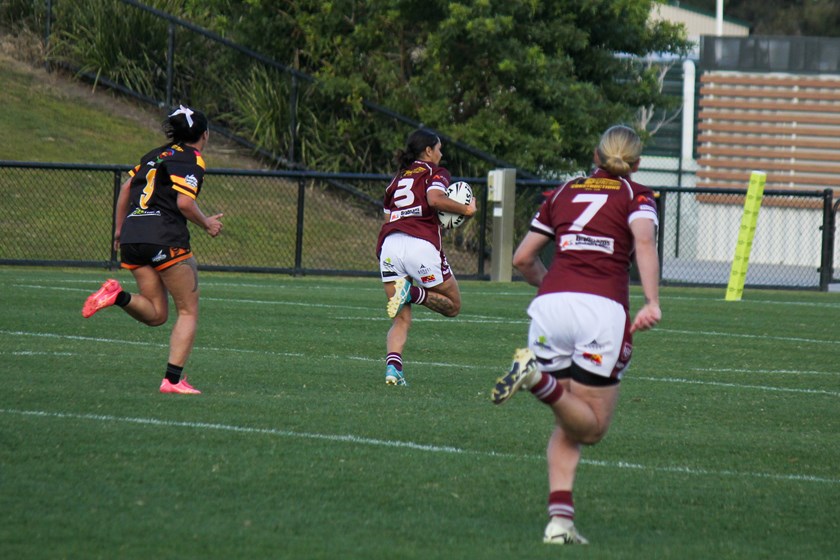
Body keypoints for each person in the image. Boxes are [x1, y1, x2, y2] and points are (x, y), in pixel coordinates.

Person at [490, 125, 661, 544]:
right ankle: (535, 379)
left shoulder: (563, 190)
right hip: (601, 311)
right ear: (636, 164)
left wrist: (552, 286)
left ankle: (559, 523)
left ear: (595, 155)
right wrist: (652, 301)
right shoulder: (637, 195)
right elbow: (643, 242)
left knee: (569, 421)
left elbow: (522, 258)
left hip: (550, 308)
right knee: (593, 428)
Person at [81, 104, 224, 395]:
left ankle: (116, 295)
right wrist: (207, 223)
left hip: (134, 237)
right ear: (205, 135)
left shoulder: (154, 155)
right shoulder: (193, 159)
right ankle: (172, 381)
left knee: (158, 314)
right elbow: (184, 203)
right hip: (164, 236)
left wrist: (120, 231)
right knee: (188, 311)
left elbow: (125, 189)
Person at [376, 129, 477, 386]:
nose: (441, 154)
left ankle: (393, 370)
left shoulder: (396, 179)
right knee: (453, 306)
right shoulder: (435, 172)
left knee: (401, 318)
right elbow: (434, 199)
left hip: (390, 246)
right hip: (419, 245)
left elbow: (389, 218)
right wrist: (466, 209)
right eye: (439, 149)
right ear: (429, 151)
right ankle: (412, 293)